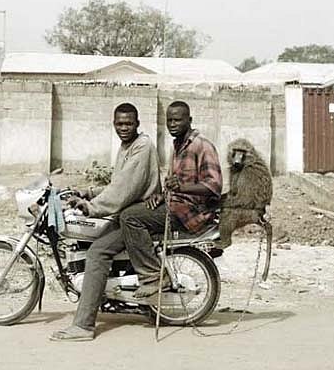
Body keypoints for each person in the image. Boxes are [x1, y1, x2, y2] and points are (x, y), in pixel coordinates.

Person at [50, 102, 161, 342]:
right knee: (92, 243)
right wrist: (88, 192)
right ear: (113, 124)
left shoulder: (142, 146)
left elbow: (124, 190)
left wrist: (92, 207)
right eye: (120, 123)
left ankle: (84, 326)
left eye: (129, 123)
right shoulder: (126, 147)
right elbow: (117, 184)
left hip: (136, 214)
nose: (124, 127)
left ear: (137, 124)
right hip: (127, 212)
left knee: (97, 254)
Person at [119, 100, 222, 298]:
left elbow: (214, 186)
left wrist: (181, 188)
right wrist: (161, 196)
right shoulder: (178, 145)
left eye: (177, 120)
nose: (172, 124)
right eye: (169, 120)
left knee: (129, 217)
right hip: (174, 206)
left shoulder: (202, 146)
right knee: (135, 209)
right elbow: (174, 184)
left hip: (189, 213)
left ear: (189, 120)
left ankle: (153, 277)